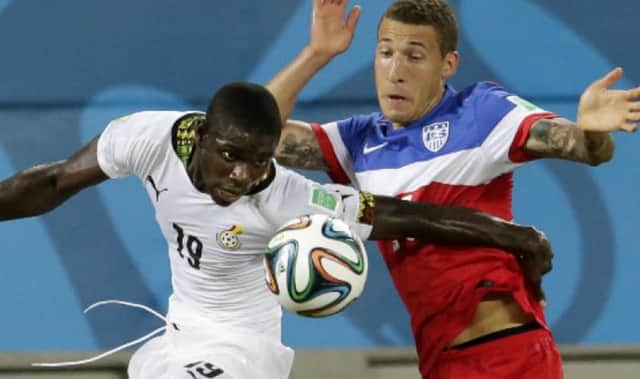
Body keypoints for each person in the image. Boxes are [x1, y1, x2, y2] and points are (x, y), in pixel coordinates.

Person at [0, 82, 552, 379]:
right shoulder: (146, 139)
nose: (243, 175)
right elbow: (50, 183)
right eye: (231, 156)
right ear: (204, 136)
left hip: (245, 353)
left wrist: (511, 234)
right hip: (176, 337)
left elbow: (402, 214)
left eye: (259, 160)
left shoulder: (286, 196)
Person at [267, 0, 640, 379]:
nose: (395, 71)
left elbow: (582, 148)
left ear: (448, 63)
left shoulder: (480, 112)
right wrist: (317, 54)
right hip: (439, 360)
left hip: (503, 355)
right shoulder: (359, 141)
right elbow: (261, 135)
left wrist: (592, 132)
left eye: (414, 55)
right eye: (386, 52)